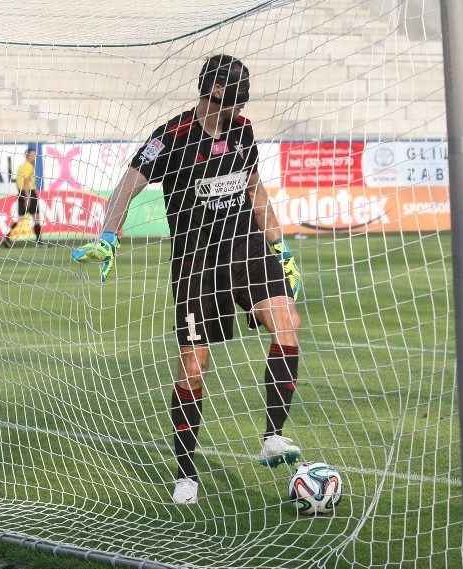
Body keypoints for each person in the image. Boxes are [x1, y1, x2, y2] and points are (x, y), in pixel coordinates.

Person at [72, 54, 303, 505]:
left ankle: (273, 435)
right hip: (198, 265)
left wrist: (281, 247)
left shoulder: (244, 129)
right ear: (215, 90)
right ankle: (186, 473)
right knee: (194, 367)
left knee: (287, 323)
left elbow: (255, 188)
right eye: (238, 91)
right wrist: (108, 233)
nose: (243, 101)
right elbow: (126, 186)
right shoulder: (170, 137)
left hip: (248, 251)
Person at [2, 147, 45, 247]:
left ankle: (8, 237)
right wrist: (28, 197)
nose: (35, 157)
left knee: (21, 218)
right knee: (36, 217)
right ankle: (39, 242)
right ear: (27, 155)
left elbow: (19, 182)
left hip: (21, 193)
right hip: (29, 193)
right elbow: (26, 182)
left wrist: (22, 195)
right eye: (33, 155)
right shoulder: (28, 167)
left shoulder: (21, 166)